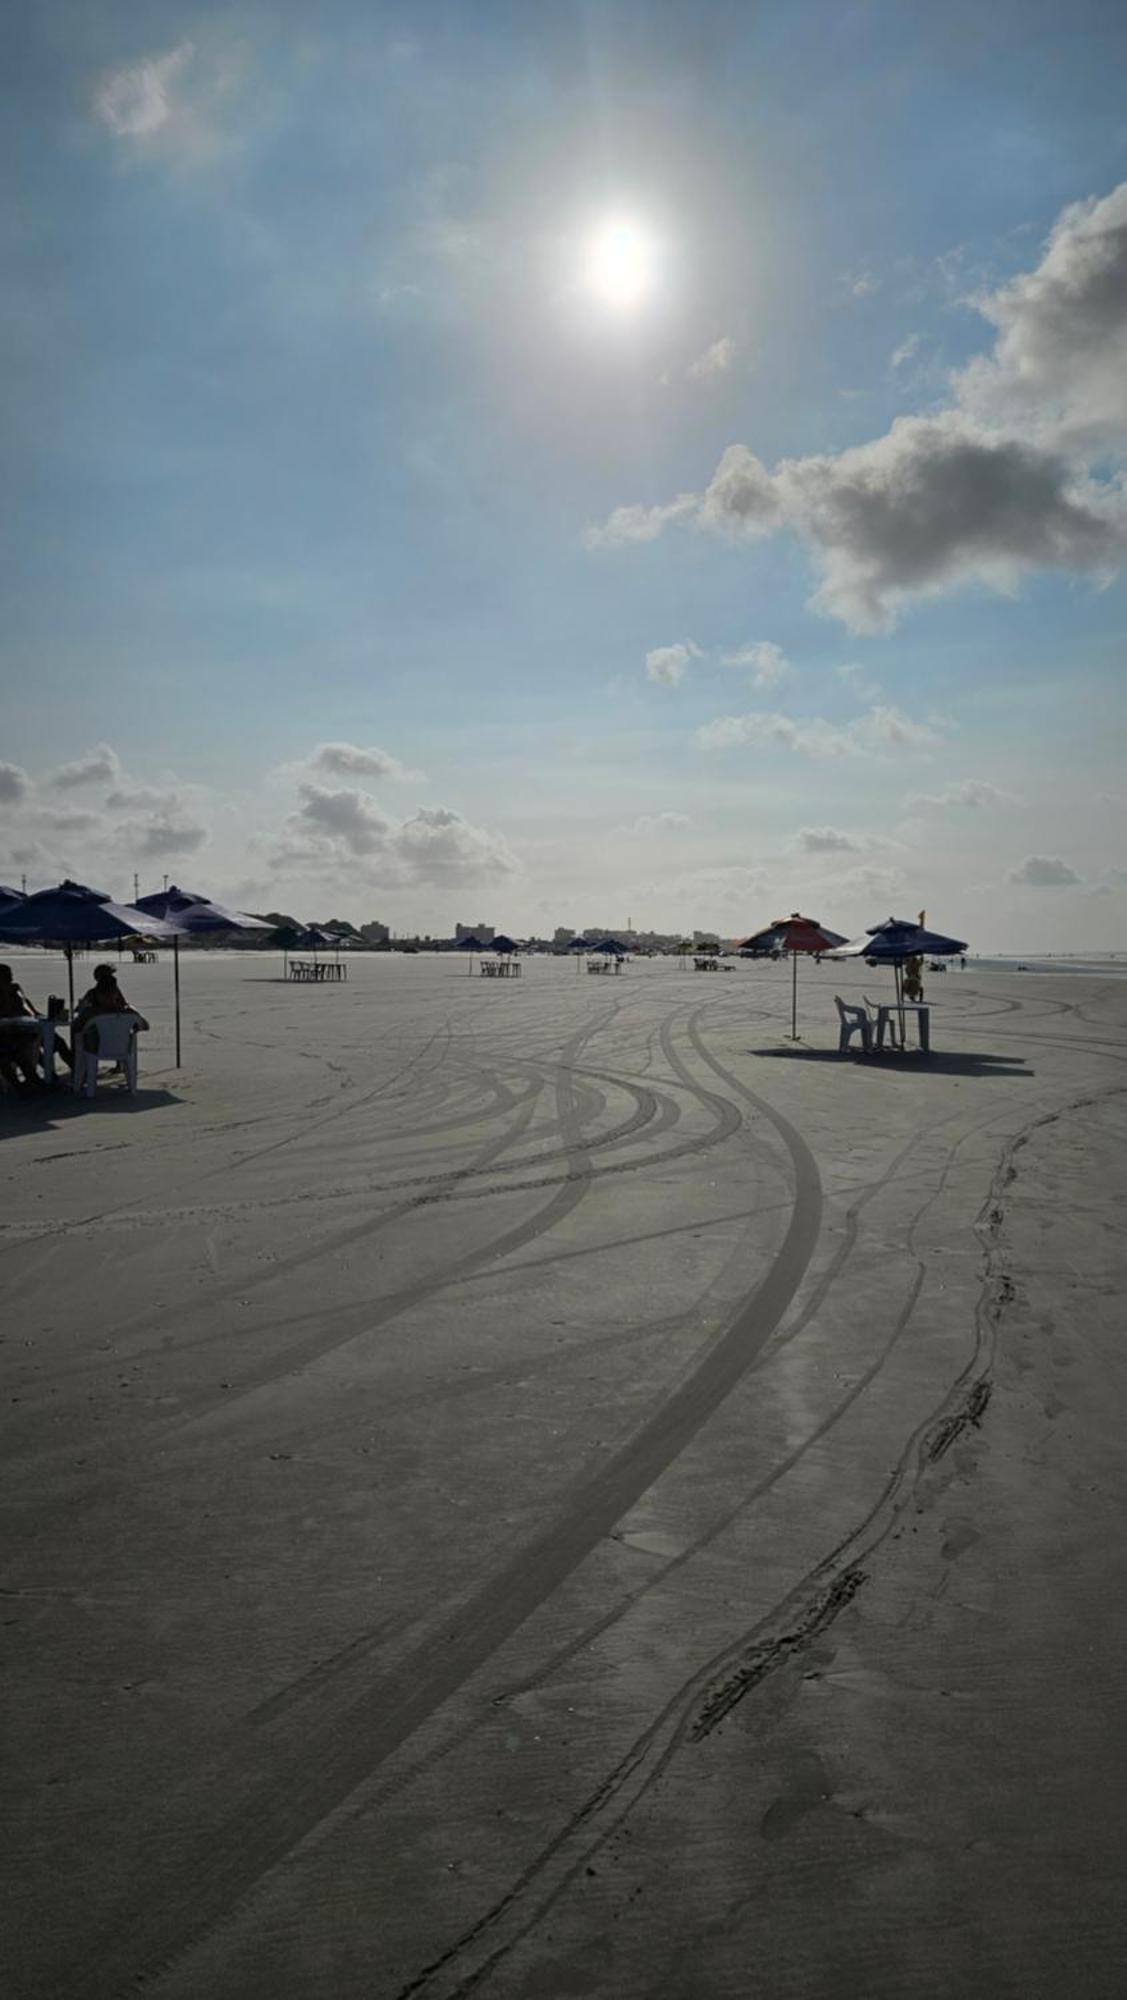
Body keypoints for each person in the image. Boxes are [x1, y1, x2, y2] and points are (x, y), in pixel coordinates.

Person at [0, 963, 41, 1090]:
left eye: (10, 975)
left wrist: (34, 1013)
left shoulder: (15, 988)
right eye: (7, 976)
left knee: (26, 1047)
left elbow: (25, 1003)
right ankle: (18, 1085)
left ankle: (34, 1082)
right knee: (7, 1054)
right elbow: (5, 1011)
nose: (11, 978)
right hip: (4, 1032)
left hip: (16, 1029)